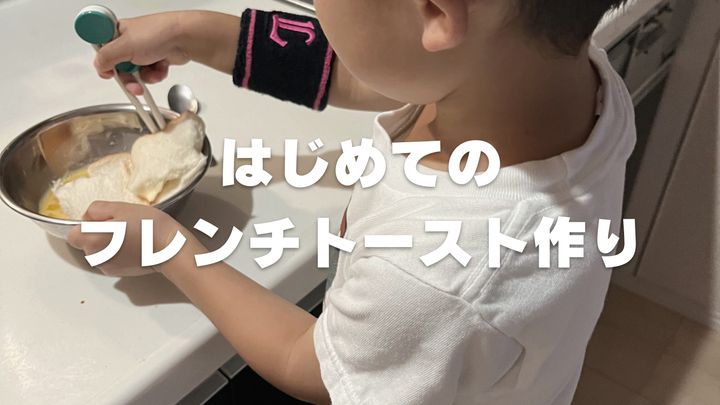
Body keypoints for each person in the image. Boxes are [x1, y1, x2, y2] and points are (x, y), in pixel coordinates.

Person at [68, 1, 634, 404]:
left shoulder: (436, 276)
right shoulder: (551, 77)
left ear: (436, 12)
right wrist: (197, 34)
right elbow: (389, 70)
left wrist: (170, 250)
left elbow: (310, 361)